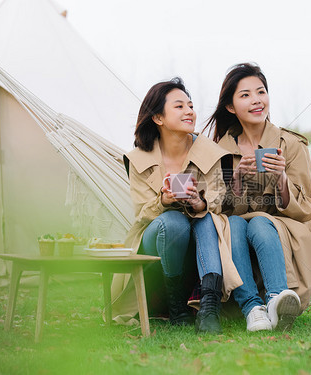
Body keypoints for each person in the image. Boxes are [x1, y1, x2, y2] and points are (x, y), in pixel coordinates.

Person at [110, 77, 242, 334]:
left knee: (205, 217)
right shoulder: (137, 159)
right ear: (158, 118)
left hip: (202, 245)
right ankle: (176, 307)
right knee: (173, 221)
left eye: (191, 106)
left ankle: (209, 308)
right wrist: (163, 200)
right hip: (157, 243)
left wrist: (199, 201)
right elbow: (141, 213)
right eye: (179, 106)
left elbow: (219, 200)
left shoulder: (211, 153)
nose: (190, 111)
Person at [205, 63, 311, 332]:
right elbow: (216, 209)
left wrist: (281, 177)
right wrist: (235, 181)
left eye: (261, 92)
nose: (257, 100)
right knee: (234, 224)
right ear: (231, 107)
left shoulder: (291, 145)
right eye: (245, 95)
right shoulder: (218, 150)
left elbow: (305, 209)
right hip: (235, 226)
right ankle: (252, 308)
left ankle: (277, 298)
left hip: (282, 226)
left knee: (258, 222)